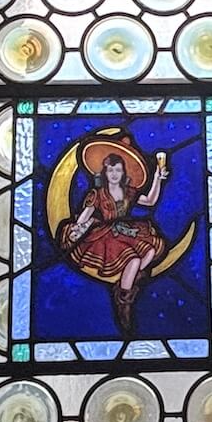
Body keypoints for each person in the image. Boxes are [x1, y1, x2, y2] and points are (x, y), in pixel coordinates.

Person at [58, 135, 170, 336]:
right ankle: (123, 302)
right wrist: (76, 229)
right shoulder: (97, 194)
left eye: (118, 170)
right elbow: (85, 215)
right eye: (110, 170)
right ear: (105, 172)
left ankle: (125, 283)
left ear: (123, 172)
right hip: (106, 235)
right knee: (134, 260)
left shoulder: (129, 193)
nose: (114, 174)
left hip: (127, 231)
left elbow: (150, 201)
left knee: (151, 251)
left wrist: (157, 177)